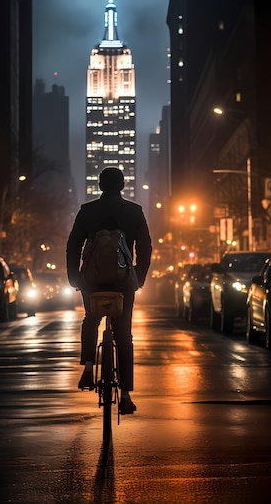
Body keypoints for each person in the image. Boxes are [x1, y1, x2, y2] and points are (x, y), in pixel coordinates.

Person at [66, 167, 152, 414]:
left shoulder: (87, 211)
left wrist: (75, 277)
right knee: (123, 334)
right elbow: (146, 248)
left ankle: (88, 368)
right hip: (124, 283)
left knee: (91, 320)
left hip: (91, 282)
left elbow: (72, 245)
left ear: (100, 185)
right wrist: (138, 276)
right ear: (122, 185)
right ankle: (125, 395)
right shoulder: (134, 212)